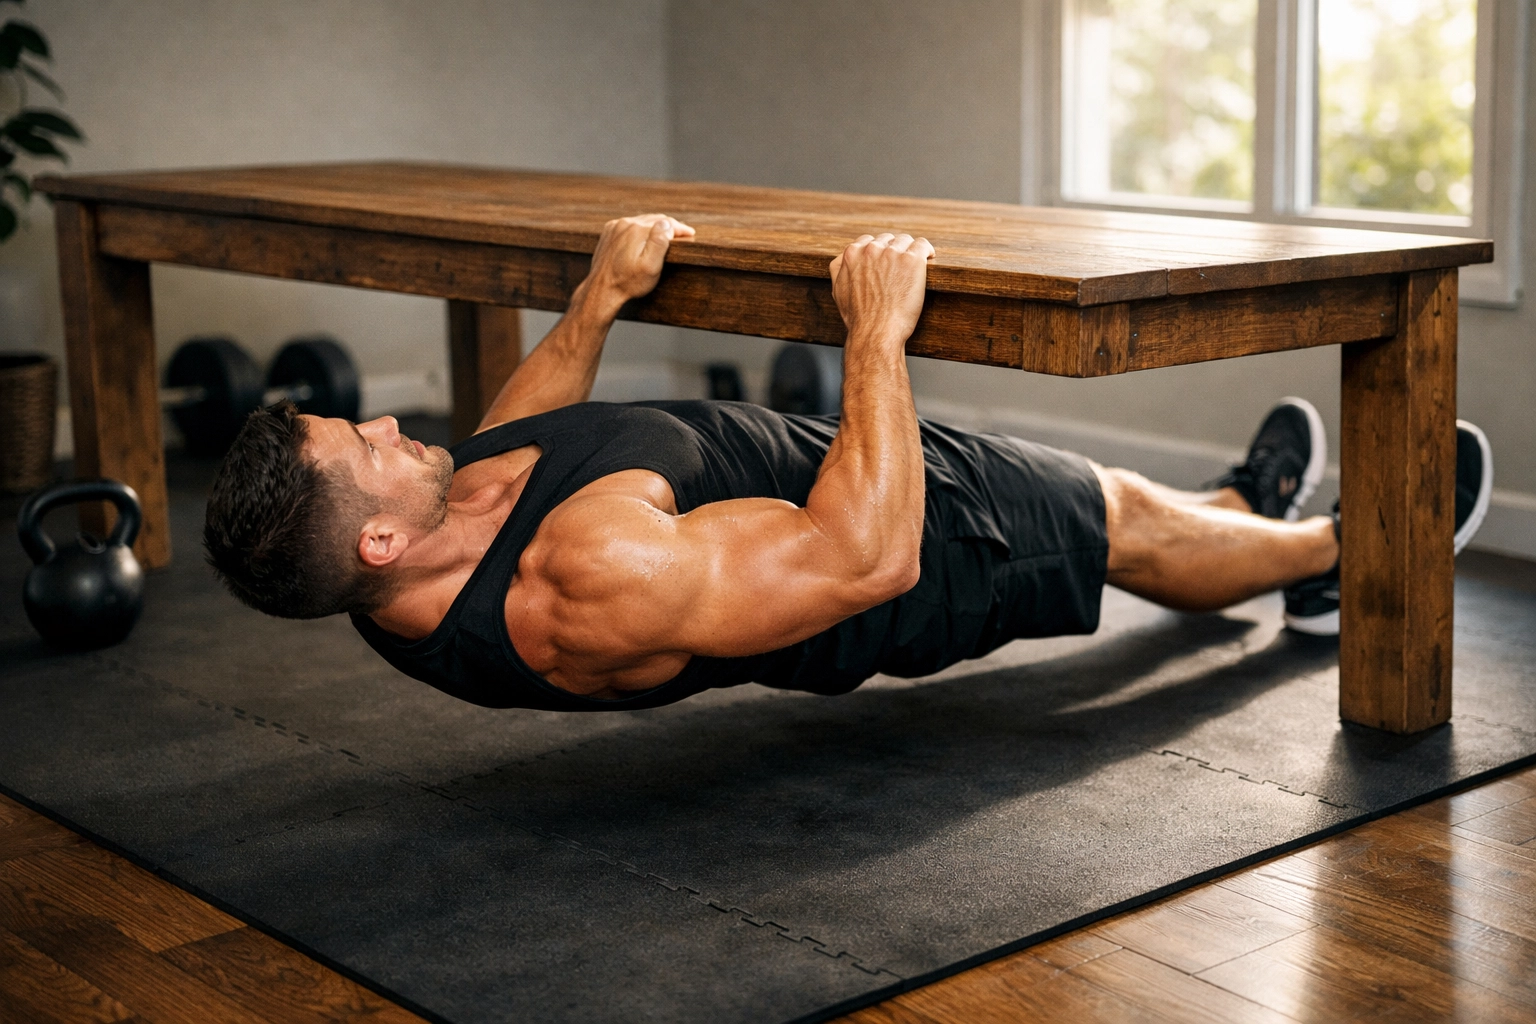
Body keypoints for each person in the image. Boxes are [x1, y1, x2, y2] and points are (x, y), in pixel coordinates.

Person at [203, 215, 1494, 711]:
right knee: (1116, 518)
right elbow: (866, 558)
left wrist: (597, 301)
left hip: (830, 468)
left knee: (1127, 499)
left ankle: (1240, 505)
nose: (388, 425)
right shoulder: (586, 584)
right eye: (363, 443)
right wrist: (875, 329)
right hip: (898, 544)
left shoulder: (382, 559)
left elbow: (509, 442)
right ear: (379, 539)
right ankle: (1342, 553)